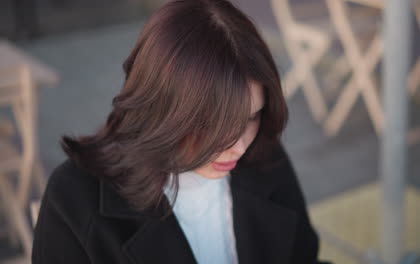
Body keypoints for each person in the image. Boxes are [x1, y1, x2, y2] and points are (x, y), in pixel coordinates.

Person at [31, 0, 331, 263]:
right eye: (213, 125)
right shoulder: (73, 198)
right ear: (160, 107)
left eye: (251, 118)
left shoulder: (265, 157)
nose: (238, 146)